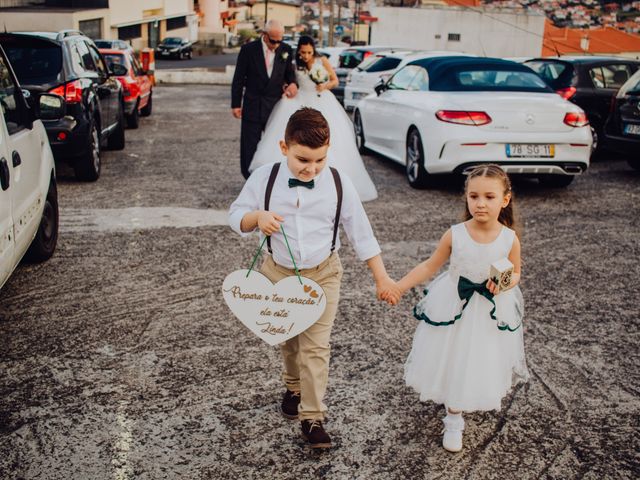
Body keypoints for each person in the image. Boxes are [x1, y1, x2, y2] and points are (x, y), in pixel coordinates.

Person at [228, 107, 395, 448]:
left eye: (319, 160)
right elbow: (235, 215)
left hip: (324, 274)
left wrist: (382, 279)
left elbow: (361, 234)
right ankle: (292, 386)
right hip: (277, 271)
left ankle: (313, 416)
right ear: (283, 147)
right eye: (303, 159)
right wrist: (256, 217)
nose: (311, 168)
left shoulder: (337, 182)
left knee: (315, 347)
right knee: (289, 342)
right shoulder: (264, 178)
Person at [381, 164, 529, 453]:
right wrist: (399, 285)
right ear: (466, 198)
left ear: (505, 200)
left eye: (489, 196)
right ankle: (454, 417)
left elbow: (517, 272)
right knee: (451, 355)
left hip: (489, 309)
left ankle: (465, 399)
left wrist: (505, 283)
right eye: (474, 196)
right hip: (453, 305)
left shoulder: (509, 239)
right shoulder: (455, 234)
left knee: (479, 358)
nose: (480, 203)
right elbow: (429, 266)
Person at [249, 35, 378, 202]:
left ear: (313, 50)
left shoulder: (322, 60)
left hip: (321, 99)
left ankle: (325, 184)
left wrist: (324, 85)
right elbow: (288, 81)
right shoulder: (295, 64)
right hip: (299, 100)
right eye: (303, 52)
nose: (306, 55)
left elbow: (335, 81)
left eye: (309, 52)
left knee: (329, 139)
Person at [231, 20, 298, 179]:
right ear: (264, 35)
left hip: (274, 106)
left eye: (279, 40)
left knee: (273, 145)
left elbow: (290, 76)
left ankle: (271, 179)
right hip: (252, 104)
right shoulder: (248, 50)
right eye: (273, 40)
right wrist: (235, 104)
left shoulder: (286, 50)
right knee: (249, 146)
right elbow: (238, 78)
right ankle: (249, 178)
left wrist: (293, 85)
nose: (276, 44)